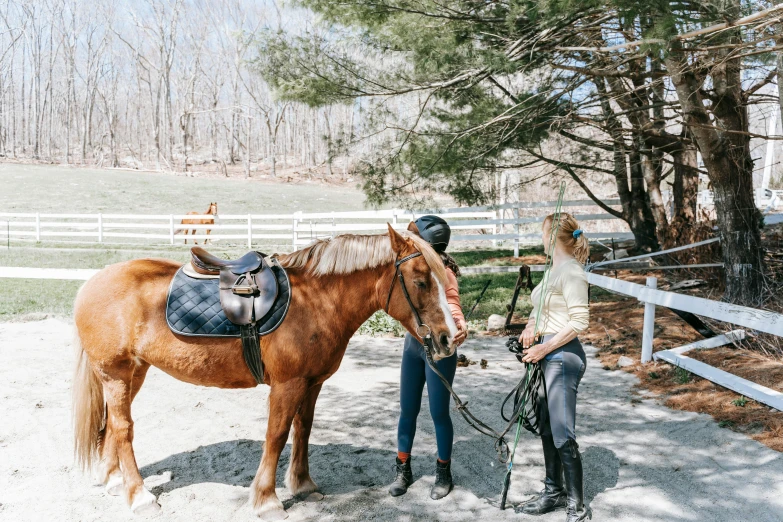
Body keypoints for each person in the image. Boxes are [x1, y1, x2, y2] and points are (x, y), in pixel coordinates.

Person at [388, 215, 468, 500]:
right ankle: (403, 469)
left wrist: (459, 324)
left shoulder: (444, 272)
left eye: (416, 238)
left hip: (439, 350)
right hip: (413, 347)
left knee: (439, 413)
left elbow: (453, 302)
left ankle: (443, 472)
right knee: (407, 411)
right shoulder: (416, 269)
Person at [517, 213, 590, 522]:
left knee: (562, 431)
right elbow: (541, 308)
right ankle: (553, 491)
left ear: (552, 236)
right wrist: (530, 327)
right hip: (545, 353)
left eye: (542, 232)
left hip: (562, 356)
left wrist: (544, 347)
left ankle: (578, 505)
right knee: (547, 427)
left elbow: (579, 322)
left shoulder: (572, 272)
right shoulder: (552, 271)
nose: (540, 238)